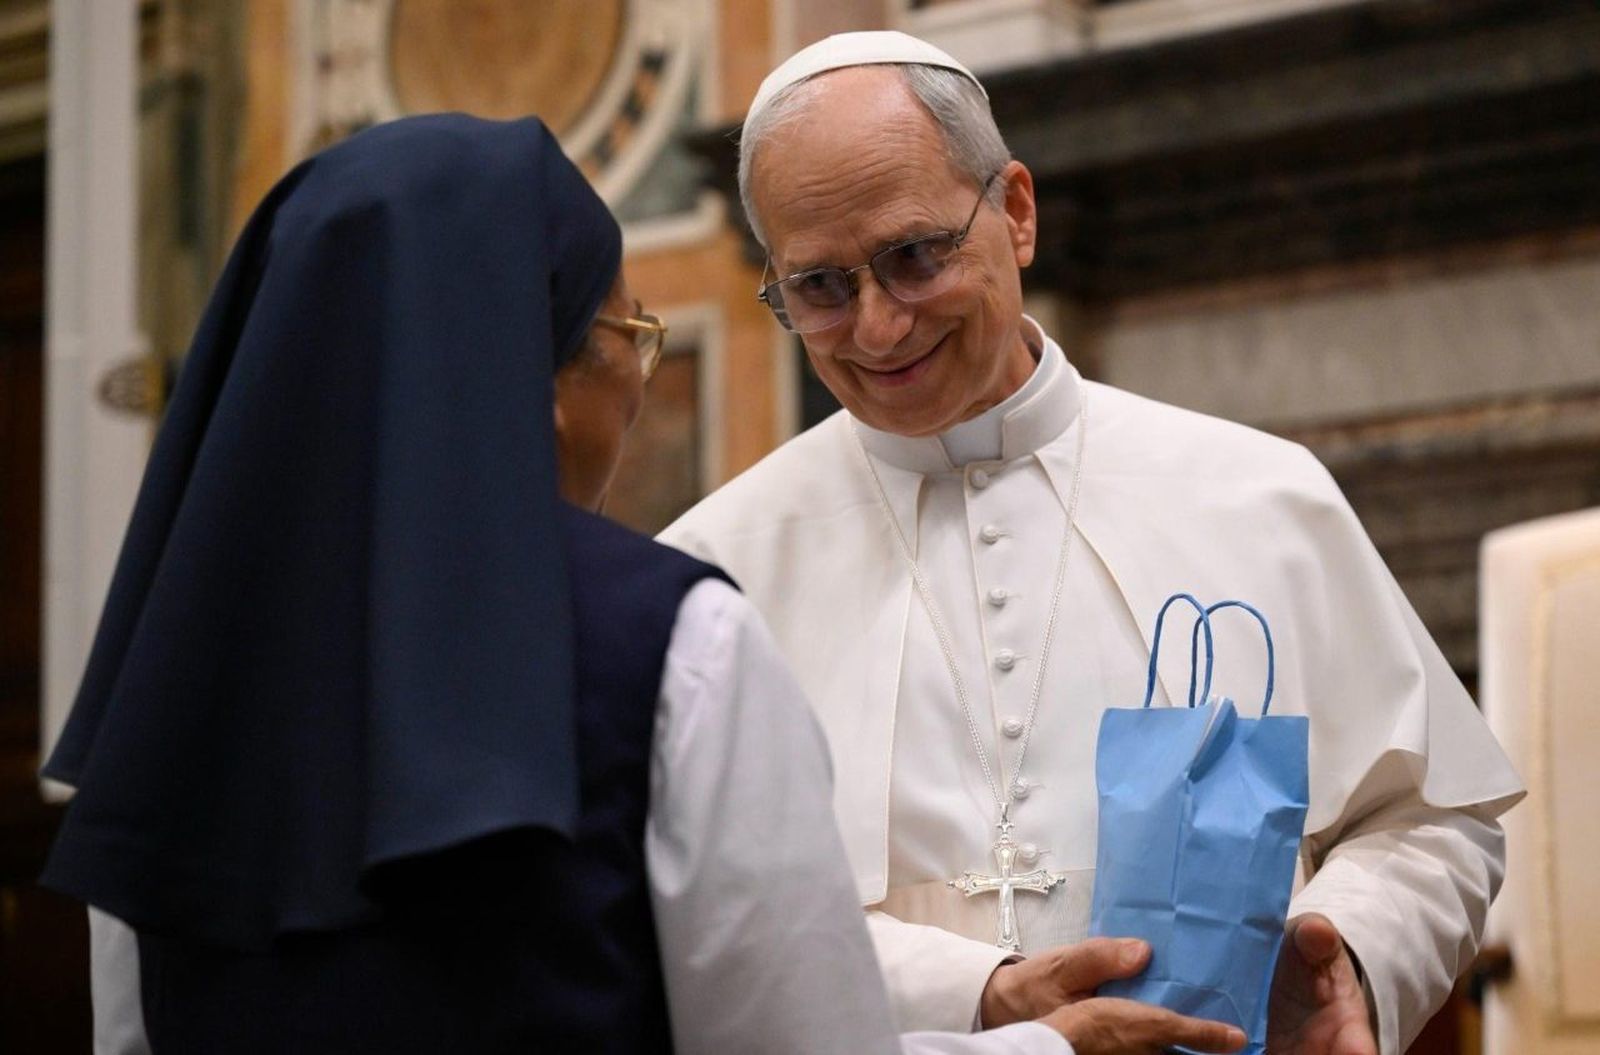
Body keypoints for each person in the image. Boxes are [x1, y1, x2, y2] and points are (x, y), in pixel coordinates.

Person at [38, 113, 1248, 1055]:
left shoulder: (172, 673)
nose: (637, 386)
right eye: (631, 337)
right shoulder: (673, 637)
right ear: (546, 370)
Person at [659, 31, 1525, 1055]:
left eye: (913, 257)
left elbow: (1431, 818)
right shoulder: (709, 575)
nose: (879, 326)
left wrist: (1352, 958)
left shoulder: (1258, 494)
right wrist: (977, 992)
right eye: (819, 288)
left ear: (1015, 212)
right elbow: (702, 930)